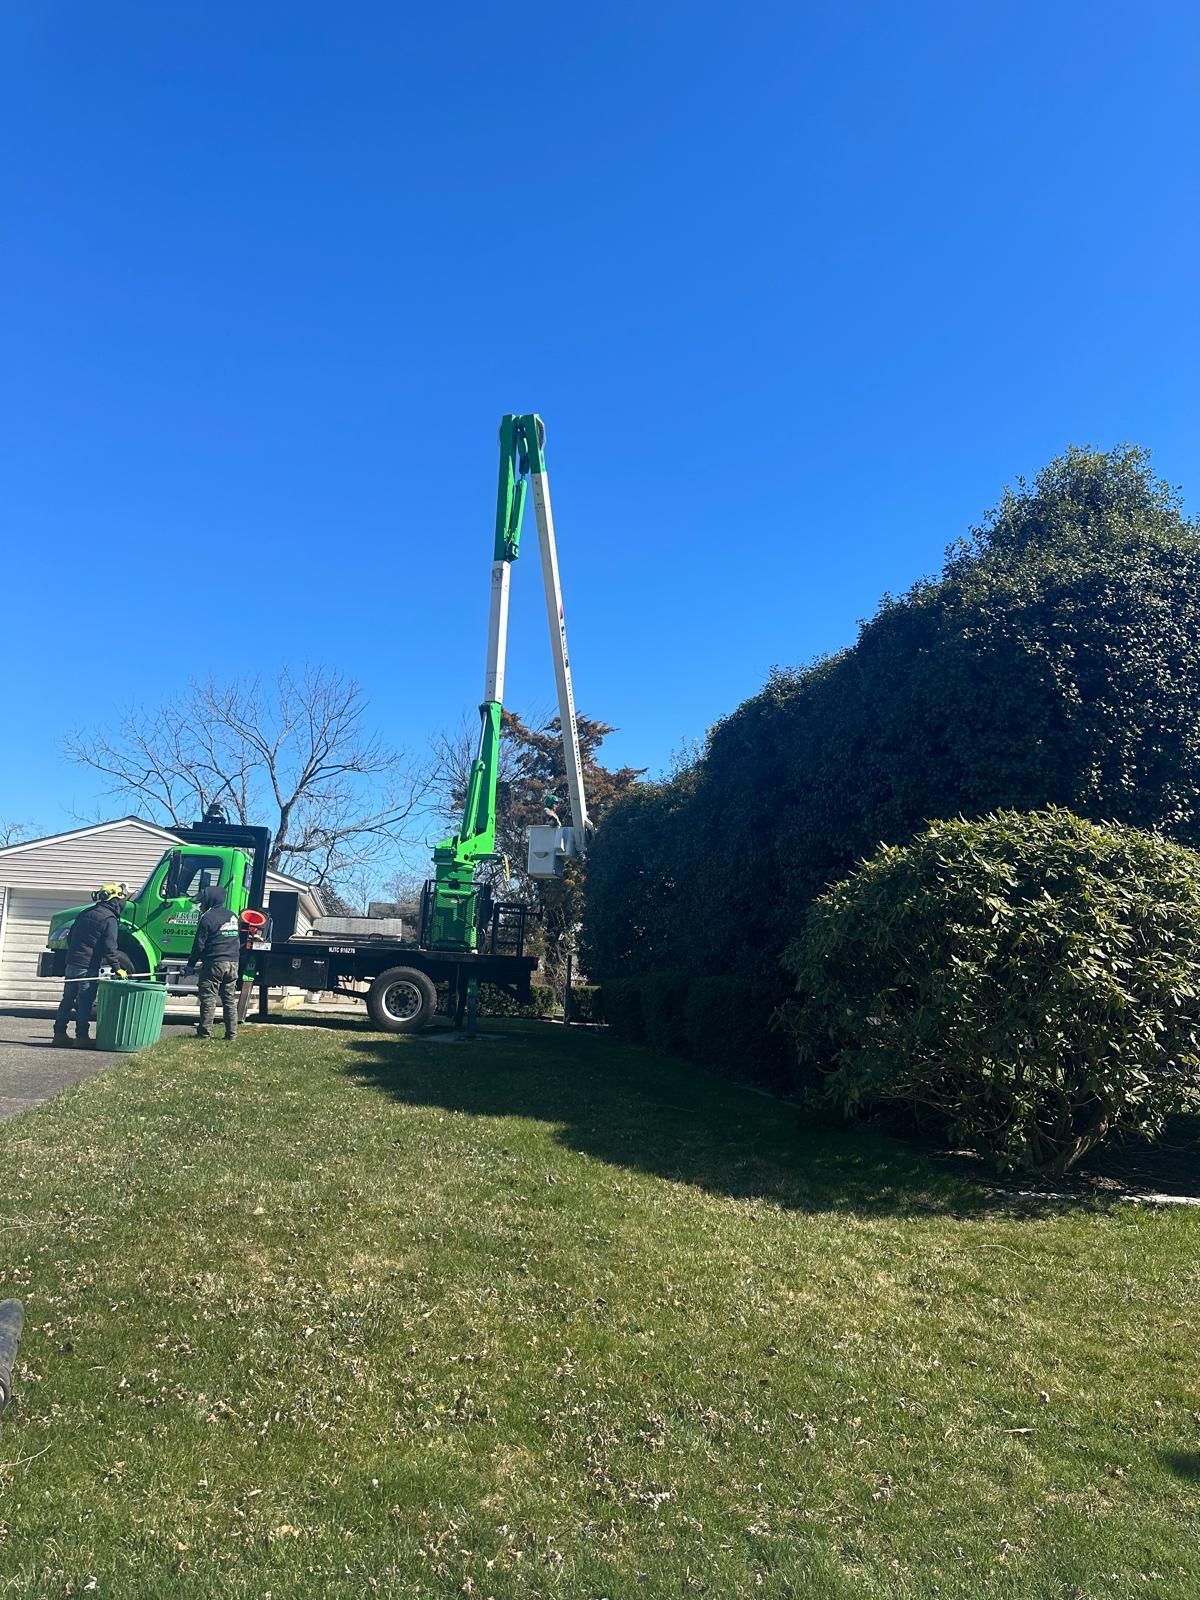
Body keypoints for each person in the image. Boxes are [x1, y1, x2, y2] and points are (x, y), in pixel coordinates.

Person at [52, 883, 129, 1048]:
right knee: (85, 1002)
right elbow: (110, 948)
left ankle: (59, 1034)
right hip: (87, 966)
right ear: (114, 900)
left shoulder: (84, 913)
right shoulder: (109, 919)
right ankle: (81, 1037)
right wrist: (118, 969)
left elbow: (69, 938)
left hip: (71, 963)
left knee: (67, 999)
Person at [186, 885, 242, 1040]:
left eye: (203, 901)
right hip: (233, 963)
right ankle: (232, 1034)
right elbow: (237, 940)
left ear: (209, 900)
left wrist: (191, 965)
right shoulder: (233, 916)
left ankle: (204, 1033)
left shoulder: (207, 918)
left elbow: (199, 945)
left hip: (215, 962)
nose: (201, 905)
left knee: (209, 999)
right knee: (229, 1000)